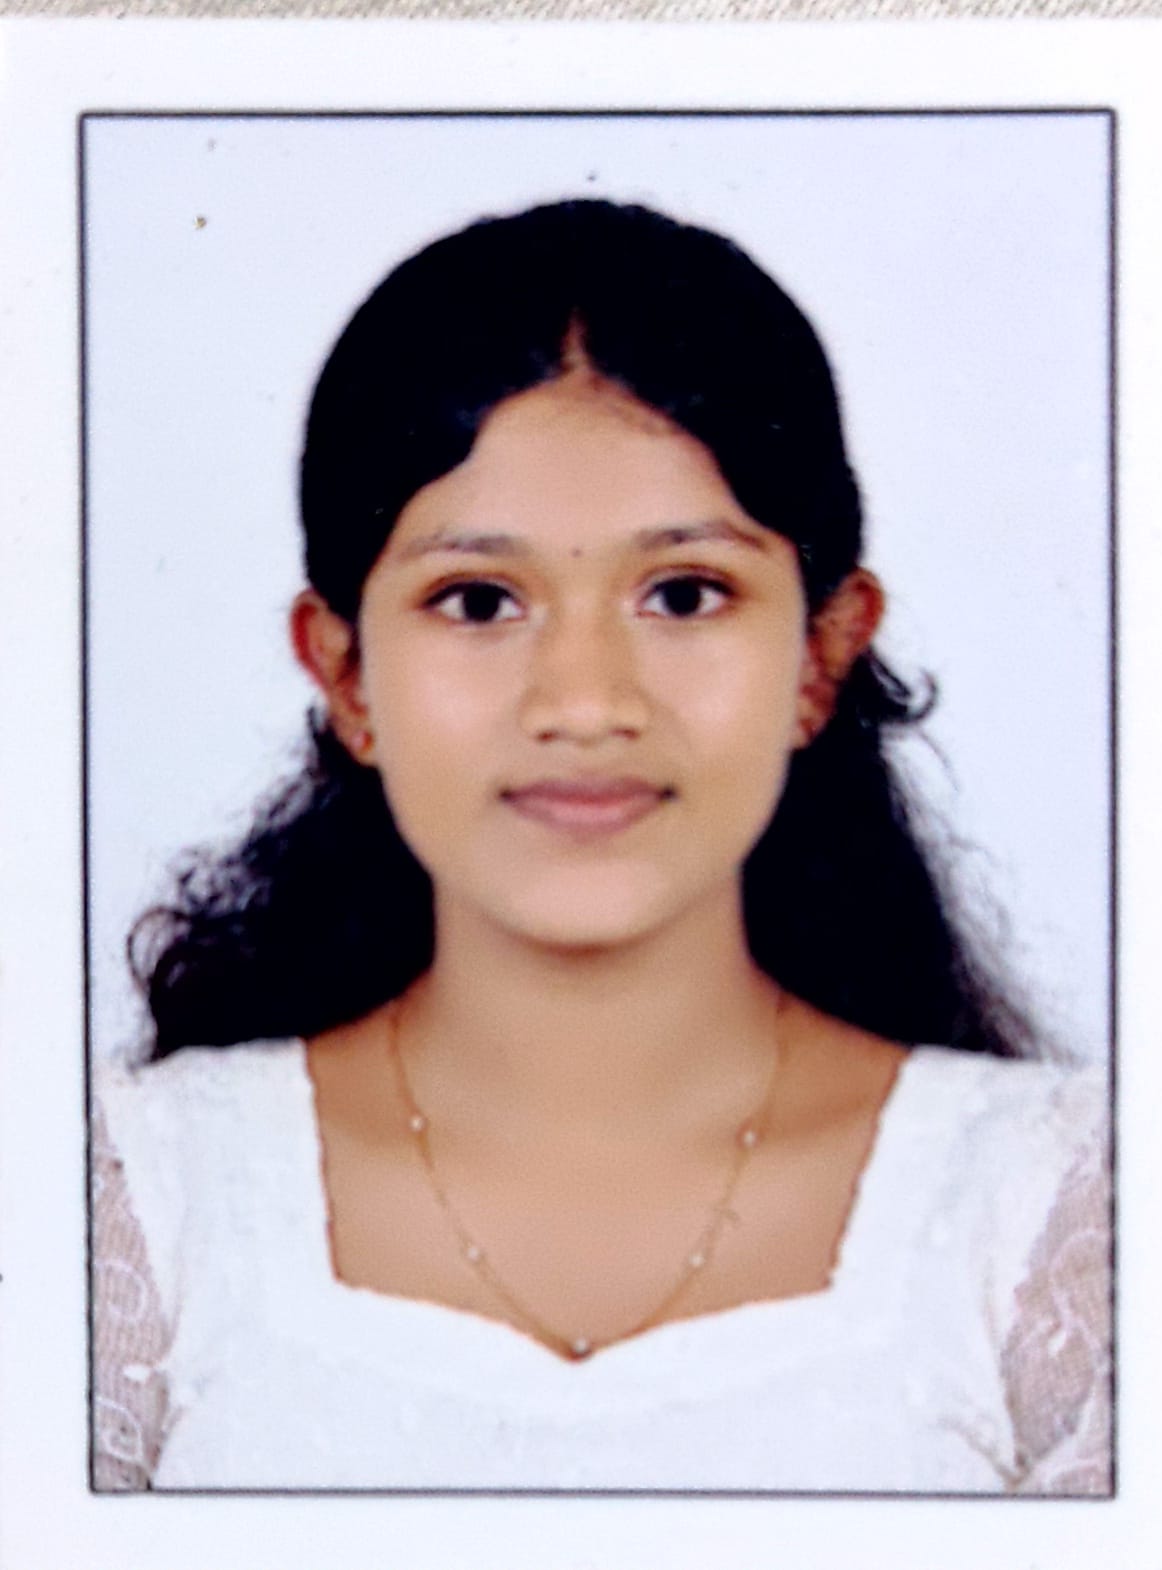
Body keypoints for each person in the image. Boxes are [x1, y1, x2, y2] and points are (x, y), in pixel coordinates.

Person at [91, 198, 1110, 1493]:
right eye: (478, 601)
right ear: (345, 673)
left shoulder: (1059, 1219)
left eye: (684, 594)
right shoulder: (138, 1209)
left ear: (821, 653)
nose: (583, 703)